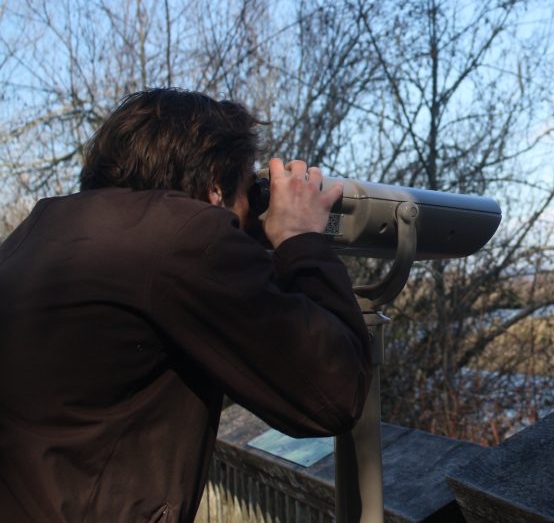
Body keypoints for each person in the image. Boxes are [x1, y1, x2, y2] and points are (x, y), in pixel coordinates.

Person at [0, 88, 372, 522]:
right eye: (247, 189)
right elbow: (332, 393)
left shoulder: (36, 237)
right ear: (215, 184)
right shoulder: (182, 238)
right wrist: (301, 239)